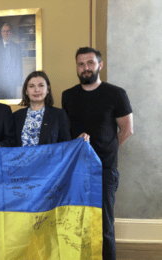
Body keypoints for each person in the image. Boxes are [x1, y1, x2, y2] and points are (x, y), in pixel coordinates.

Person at [62, 47, 133, 260]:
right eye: (81, 64)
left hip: (104, 170)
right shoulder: (68, 96)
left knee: (104, 226)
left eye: (90, 63)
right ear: (77, 67)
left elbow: (127, 130)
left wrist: (107, 150)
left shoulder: (116, 93)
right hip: (75, 171)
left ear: (100, 65)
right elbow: (66, 133)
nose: (85, 68)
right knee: (76, 224)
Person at [13, 71, 71, 146]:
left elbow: (66, 145)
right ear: (26, 91)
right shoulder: (16, 116)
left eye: (41, 85)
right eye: (31, 86)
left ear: (47, 89)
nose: (36, 90)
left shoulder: (59, 115)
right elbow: (10, 144)